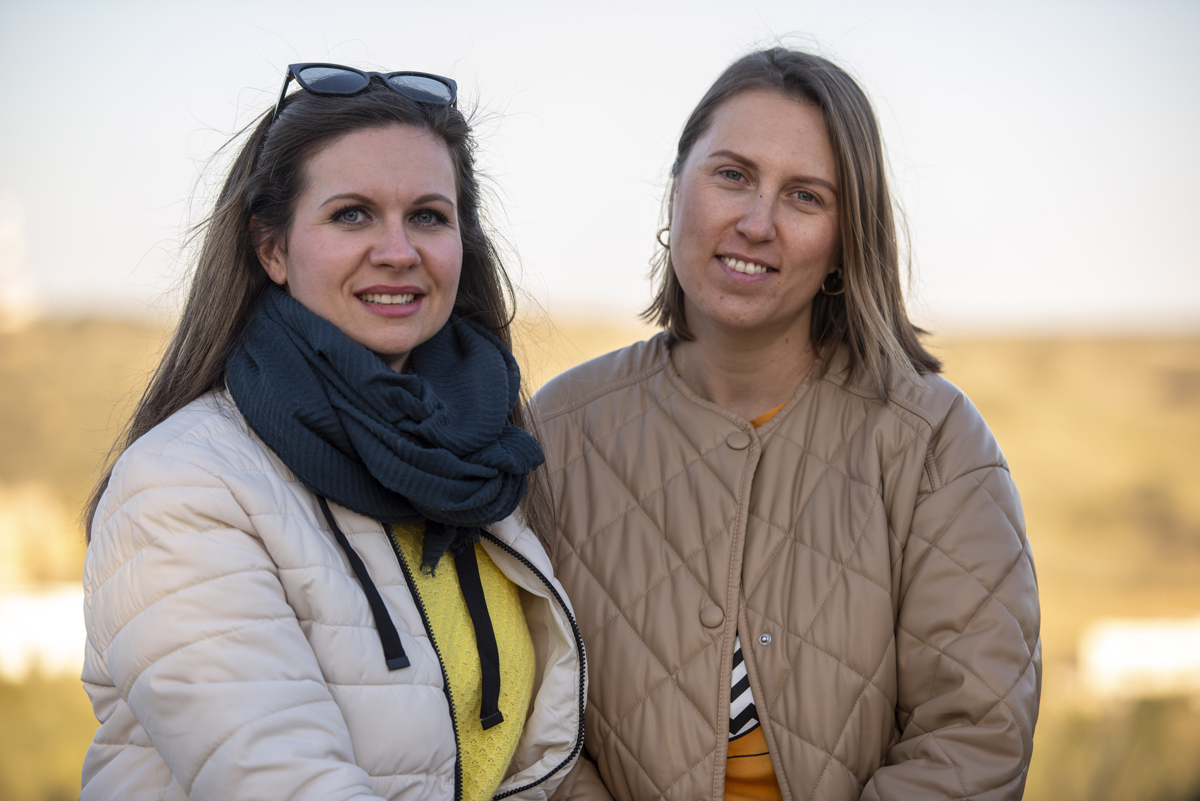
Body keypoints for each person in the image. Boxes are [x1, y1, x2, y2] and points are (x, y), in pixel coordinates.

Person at [535, 48, 1040, 801]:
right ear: (676, 192)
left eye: (805, 196)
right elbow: (525, 720)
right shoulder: (558, 430)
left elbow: (974, 732)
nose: (756, 221)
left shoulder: (934, 440)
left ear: (845, 241)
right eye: (732, 175)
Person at [80, 64, 585, 801]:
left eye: (428, 216)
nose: (398, 250)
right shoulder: (182, 484)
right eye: (352, 214)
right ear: (272, 249)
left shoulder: (481, 458)